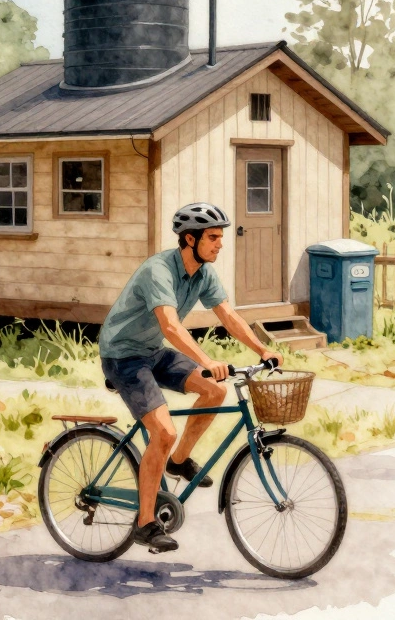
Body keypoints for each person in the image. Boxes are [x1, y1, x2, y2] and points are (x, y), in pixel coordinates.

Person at [99, 202, 283, 553]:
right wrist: (206, 358)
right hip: (123, 356)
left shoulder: (203, 273)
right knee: (164, 432)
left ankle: (178, 462)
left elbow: (228, 316)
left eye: (220, 237)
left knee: (214, 392)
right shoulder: (159, 270)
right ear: (189, 238)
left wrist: (262, 350)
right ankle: (145, 523)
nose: (220, 244)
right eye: (213, 237)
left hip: (152, 352)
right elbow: (169, 324)